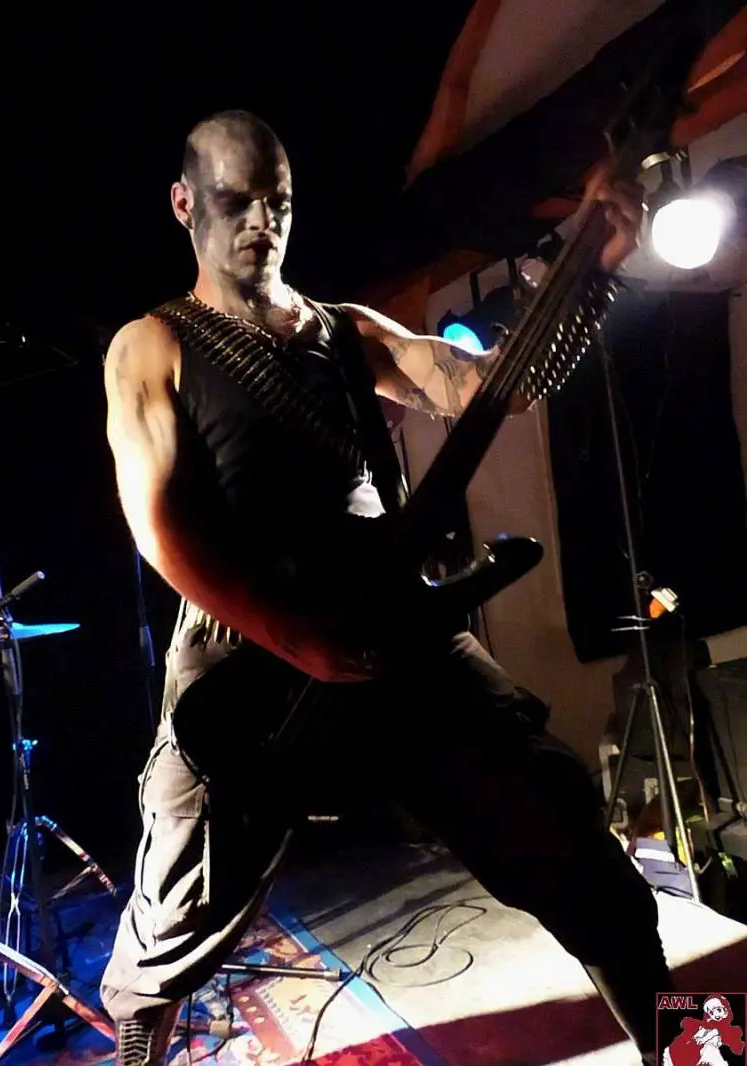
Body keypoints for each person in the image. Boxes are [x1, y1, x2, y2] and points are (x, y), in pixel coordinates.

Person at [100, 109, 669, 1066]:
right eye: (236, 202)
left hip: (394, 619)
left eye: (278, 202)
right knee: (174, 914)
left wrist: (593, 269)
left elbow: (489, 388)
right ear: (184, 203)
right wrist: (292, 635)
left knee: (577, 852)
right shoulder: (150, 347)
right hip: (248, 646)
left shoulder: (346, 331)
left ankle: (697, 1050)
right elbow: (161, 530)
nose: (261, 223)